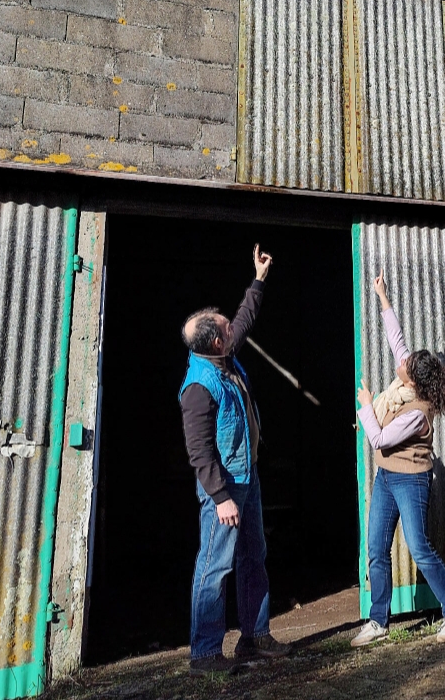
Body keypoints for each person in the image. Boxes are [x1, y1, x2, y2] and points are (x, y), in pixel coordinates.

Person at [179, 244, 292, 676]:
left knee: (252, 557)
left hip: (248, 477)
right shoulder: (199, 386)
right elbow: (199, 451)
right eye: (225, 326)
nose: (232, 326)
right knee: (214, 567)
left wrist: (258, 279)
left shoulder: (222, 356)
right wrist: (221, 496)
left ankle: (254, 636)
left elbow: (244, 319)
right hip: (223, 489)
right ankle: (205, 654)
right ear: (216, 340)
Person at [351, 269, 445, 647]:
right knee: (376, 548)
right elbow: (396, 339)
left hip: (411, 480)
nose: (399, 362)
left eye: (405, 364)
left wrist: (366, 406)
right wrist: (382, 295)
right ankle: (378, 621)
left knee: (419, 547)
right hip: (387, 477)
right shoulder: (407, 385)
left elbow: (379, 438)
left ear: (413, 380)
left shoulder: (417, 412)